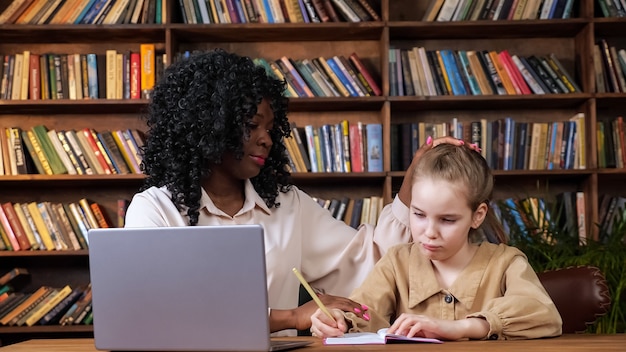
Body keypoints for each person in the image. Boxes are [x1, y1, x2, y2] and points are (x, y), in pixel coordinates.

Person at [123, 48, 466, 335]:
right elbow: (157, 313)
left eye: (271, 128)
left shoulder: (287, 206)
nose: (266, 139)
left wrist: (414, 182)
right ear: (207, 127)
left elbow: (374, 260)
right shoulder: (154, 209)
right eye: (251, 125)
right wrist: (292, 317)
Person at [310, 143, 563, 340]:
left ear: (478, 216)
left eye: (447, 220)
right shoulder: (397, 261)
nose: (429, 232)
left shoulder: (506, 262)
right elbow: (364, 312)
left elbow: (543, 314)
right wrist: (337, 320)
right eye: (418, 215)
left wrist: (462, 327)